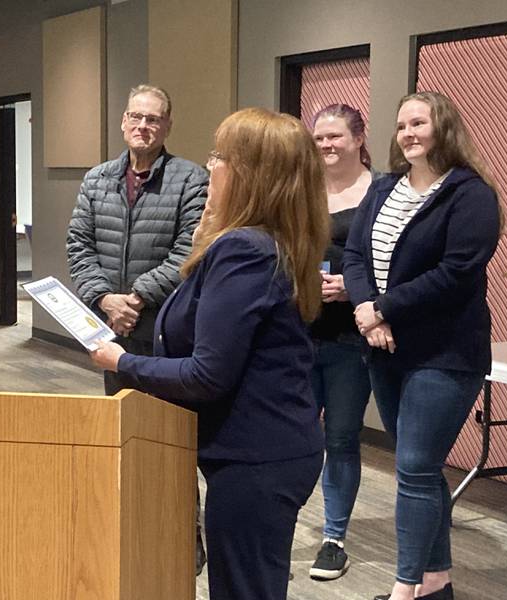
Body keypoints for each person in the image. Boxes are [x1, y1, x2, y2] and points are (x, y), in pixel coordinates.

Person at [91, 107, 329, 600]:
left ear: (251, 175)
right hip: (269, 449)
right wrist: (203, 241)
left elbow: (206, 374)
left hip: (256, 458)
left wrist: (122, 362)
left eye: (220, 156)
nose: (210, 165)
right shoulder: (266, 241)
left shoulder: (244, 249)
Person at [344, 91, 502, 600]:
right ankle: (435, 584)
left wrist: (384, 308)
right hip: (385, 347)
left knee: (413, 468)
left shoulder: (470, 193)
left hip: (445, 353)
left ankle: (404, 588)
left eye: (419, 123)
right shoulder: (384, 187)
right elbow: (354, 254)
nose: (408, 133)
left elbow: (457, 272)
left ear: (444, 128)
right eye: (402, 125)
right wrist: (368, 311)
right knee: (421, 467)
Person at [66, 83, 208, 572]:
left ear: (167, 125)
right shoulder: (97, 180)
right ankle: (136, 530)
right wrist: (105, 299)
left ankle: (185, 537)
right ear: (123, 122)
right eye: (135, 117)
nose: (143, 126)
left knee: (172, 438)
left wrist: (138, 297)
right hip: (113, 330)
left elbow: (190, 249)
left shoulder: (191, 179)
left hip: (166, 331)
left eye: (153, 118)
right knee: (125, 432)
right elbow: (79, 245)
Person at [307, 104, 375, 581]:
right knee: (293, 433)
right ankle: (281, 523)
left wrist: (354, 288)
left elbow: (395, 259)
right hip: (299, 333)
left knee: (342, 438)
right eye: (319, 138)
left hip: (351, 337)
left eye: (335, 137)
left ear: (357, 138)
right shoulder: (304, 190)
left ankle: (333, 539)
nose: (327, 145)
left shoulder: (380, 191)